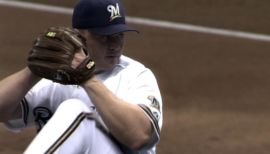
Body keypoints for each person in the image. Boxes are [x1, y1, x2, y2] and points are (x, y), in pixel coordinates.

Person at [0, 0, 163, 153]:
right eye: (104, 37)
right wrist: (33, 72)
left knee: (76, 111)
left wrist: (88, 78)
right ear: (79, 37)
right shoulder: (54, 80)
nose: (115, 45)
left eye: (119, 35)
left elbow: (140, 137)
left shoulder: (136, 75)